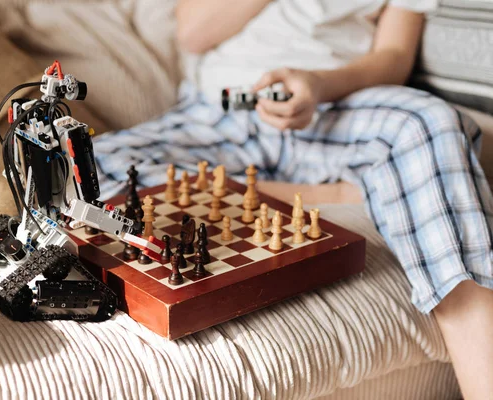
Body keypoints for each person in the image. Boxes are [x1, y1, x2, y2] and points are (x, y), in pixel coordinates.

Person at [92, 1, 493, 397]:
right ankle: (350, 191)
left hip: (336, 108)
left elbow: (393, 56)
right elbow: (194, 33)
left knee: (431, 123)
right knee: (88, 162)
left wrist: (320, 84)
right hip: (218, 112)